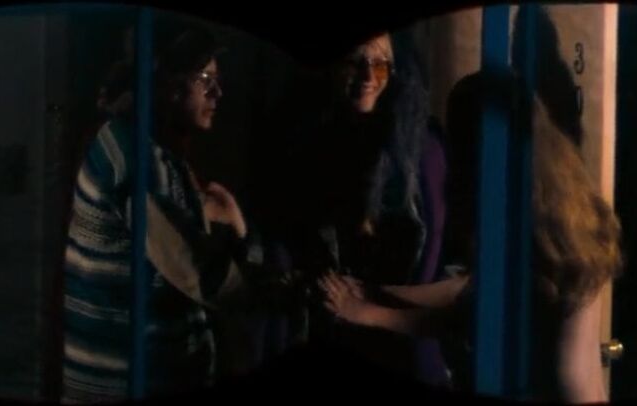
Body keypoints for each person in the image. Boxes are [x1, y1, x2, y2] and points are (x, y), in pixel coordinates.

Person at [320, 78, 623, 402]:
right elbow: (475, 290)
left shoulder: (524, 220)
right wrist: (377, 293)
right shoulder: (566, 212)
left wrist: (367, 312)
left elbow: (470, 318)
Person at [61, 26, 268, 403]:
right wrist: (249, 244)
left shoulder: (136, 143)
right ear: (169, 85)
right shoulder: (138, 158)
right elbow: (202, 276)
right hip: (126, 381)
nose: (217, 93)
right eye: (204, 79)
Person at [257, 30, 451, 386]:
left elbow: (438, 257)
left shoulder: (422, 151)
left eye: (381, 65)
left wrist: (370, 304)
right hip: (325, 327)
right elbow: (284, 243)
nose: (367, 76)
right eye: (355, 62)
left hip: (400, 341)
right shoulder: (304, 144)